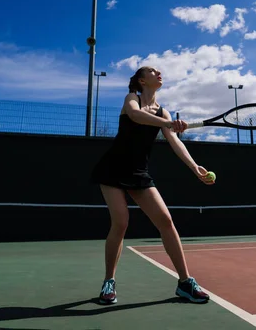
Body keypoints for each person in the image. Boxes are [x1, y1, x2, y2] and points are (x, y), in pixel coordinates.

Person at [90, 66, 214, 305]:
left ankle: (185, 283)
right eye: (152, 71)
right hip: (112, 169)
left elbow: (175, 143)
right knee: (121, 222)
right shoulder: (131, 99)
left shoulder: (163, 112)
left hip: (139, 173)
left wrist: (194, 166)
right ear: (141, 80)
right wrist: (167, 123)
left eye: (159, 71)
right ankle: (109, 282)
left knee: (166, 221)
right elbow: (136, 116)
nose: (159, 73)